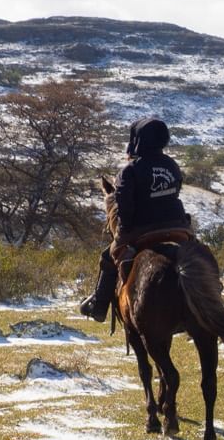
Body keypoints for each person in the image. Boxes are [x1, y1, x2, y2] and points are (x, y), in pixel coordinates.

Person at [78, 116, 193, 323]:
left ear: (137, 140)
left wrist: (124, 228)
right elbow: (175, 191)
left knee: (108, 257)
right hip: (177, 225)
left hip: (142, 227)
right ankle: (214, 291)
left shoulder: (129, 171)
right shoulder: (171, 165)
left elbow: (124, 205)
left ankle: (99, 305)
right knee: (197, 252)